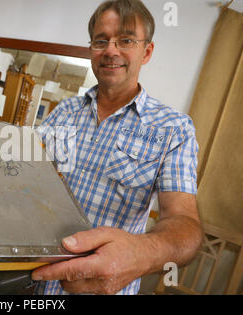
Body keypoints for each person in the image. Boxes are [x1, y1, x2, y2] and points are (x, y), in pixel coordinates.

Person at [33, 0, 202, 295]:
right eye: (101, 41)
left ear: (146, 51)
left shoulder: (174, 129)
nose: (111, 50)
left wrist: (139, 252)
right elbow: (25, 178)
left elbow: (184, 224)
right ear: (91, 50)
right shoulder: (63, 111)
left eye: (125, 40)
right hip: (32, 280)